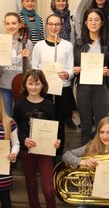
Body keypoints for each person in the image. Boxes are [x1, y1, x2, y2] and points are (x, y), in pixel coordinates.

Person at [13, 69, 60, 208]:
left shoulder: (49, 105)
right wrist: (23, 140)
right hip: (27, 150)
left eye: (37, 84)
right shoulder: (19, 105)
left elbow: (55, 128)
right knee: (31, 185)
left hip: (45, 151)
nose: (33, 87)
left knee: (49, 189)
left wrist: (57, 141)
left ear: (43, 85)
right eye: (30, 83)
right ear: (25, 85)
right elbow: (15, 128)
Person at [31, 13, 74, 156]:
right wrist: (41, 76)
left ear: (61, 26)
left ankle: (58, 156)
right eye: (51, 24)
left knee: (59, 123)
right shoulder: (39, 45)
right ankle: (43, 153)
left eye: (57, 24)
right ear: (46, 26)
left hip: (62, 89)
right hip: (44, 91)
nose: (54, 27)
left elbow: (70, 68)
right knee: (44, 122)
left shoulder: (67, 45)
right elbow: (34, 67)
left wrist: (67, 74)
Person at [73, 8, 109, 146]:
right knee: (85, 125)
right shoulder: (79, 43)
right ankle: (85, 156)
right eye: (90, 20)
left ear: (102, 22)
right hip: (83, 87)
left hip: (101, 87)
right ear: (85, 23)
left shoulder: (108, 43)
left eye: (96, 20)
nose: (93, 23)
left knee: (101, 125)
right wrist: (76, 69)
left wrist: (108, 72)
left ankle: (100, 155)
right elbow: (74, 65)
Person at [0, 12, 33, 116]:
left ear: (20, 25)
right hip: (3, 86)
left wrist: (27, 58)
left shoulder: (27, 43)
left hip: (21, 86)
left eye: (14, 23)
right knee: (7, 118)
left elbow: (30, 70)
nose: (10, 26)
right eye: (8, 23)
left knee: (22, 117)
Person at [50, 0, 78, 129]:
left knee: (68, 87)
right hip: (55, 55)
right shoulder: (51, 18)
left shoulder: (70, 17)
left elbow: (74, 35)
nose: (61, 3)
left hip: (68, 53)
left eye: (63, 0)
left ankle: (67, 116)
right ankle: (56, 116)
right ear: (54, 2)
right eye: (58, 0)